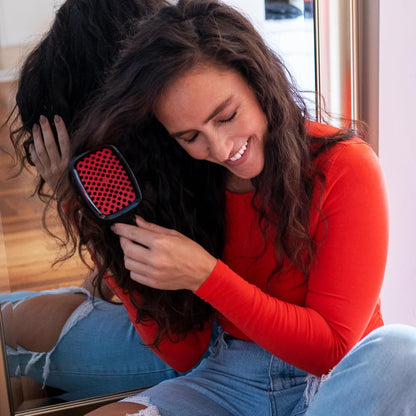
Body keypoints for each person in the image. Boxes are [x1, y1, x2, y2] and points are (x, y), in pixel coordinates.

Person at [49, 1, 416, 415]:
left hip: (336, 382)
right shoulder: (187, 185)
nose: (220, 149)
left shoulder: (344, 166)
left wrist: (205, 275)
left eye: (226, 116)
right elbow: (184, 354)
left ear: (258, 81)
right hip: (228, 378)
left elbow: (331, 349)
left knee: (405, 351)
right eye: (191, 136)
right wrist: (106, 236)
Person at [2, 0, 186, 402]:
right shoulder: (159, 144)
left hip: (179, 342)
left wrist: (73, 198)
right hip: (155, 317)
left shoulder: (168, 155)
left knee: (11, 323)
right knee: (15, 311)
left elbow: (142, 291)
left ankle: (45, 388)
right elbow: (109, 283)